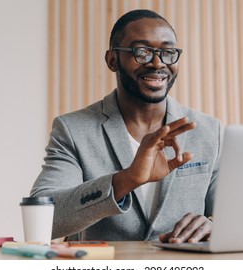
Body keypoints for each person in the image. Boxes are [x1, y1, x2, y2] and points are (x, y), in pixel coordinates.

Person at [31, 9, 222, 243]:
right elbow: (44, 219)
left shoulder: (209, 130)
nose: (157, 62)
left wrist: (213, 224)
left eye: (167, 52)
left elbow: (237, 215)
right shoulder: (73, 130)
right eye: (141, 52)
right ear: (112, 60)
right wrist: (127, 179)